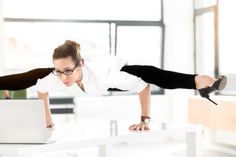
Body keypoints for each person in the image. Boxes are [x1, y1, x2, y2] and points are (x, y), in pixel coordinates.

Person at [0, 40, 227, 131]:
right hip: (94, 84)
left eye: (68, 70)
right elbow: (41, 87)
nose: (63, 77)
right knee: (36, 75)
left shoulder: (103, 74)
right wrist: (47, 118)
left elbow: (142, 87)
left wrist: (144, 121)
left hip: (111, 74)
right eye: (59, 71)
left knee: (146, 72)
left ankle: (200, 81)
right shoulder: (56, 76)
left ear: (80, 65)